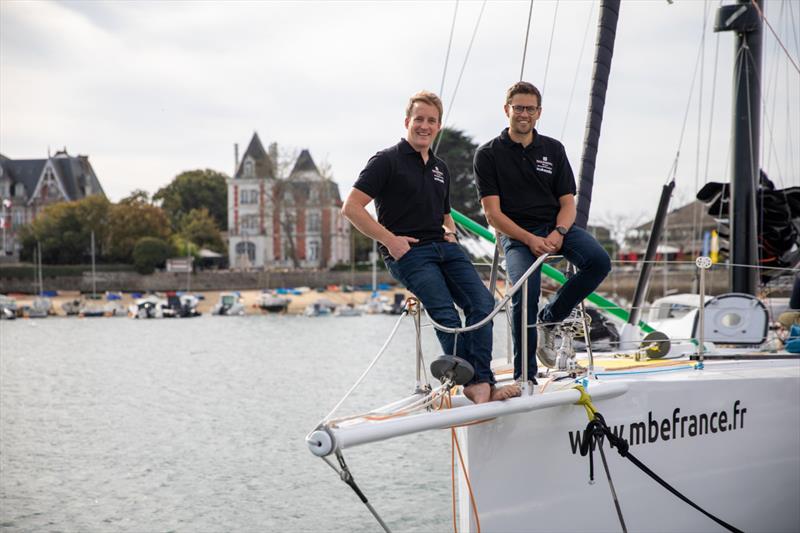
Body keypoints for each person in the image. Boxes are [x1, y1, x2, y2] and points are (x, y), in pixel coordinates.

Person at [342, 90, 519, 404]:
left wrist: (450, 232)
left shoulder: (440, 168)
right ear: (407, 121)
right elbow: (352, 207)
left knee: (482, 305)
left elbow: (445, 214)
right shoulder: (386, 161)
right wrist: (390, 240)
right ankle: (479, 385)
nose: (424, 125)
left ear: (438, 126)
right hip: (411, 253)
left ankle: (479, 381)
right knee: (446, 317)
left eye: (431, 121)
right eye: (419, 119)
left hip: (445, 248)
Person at [474, 81, 611, 383]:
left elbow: (567, 203)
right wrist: (529, 239)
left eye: (530, 109)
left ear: (539, 113)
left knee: (599, 261)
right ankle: (526, 378)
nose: (524, 114)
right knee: (524, 291)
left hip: (555, 228)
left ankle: (550, 318)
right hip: (517, 235)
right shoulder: (488, 154)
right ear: (506, 109)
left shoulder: (553, 149)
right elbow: (493, 214)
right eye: (518, 108)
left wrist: (560, 231)